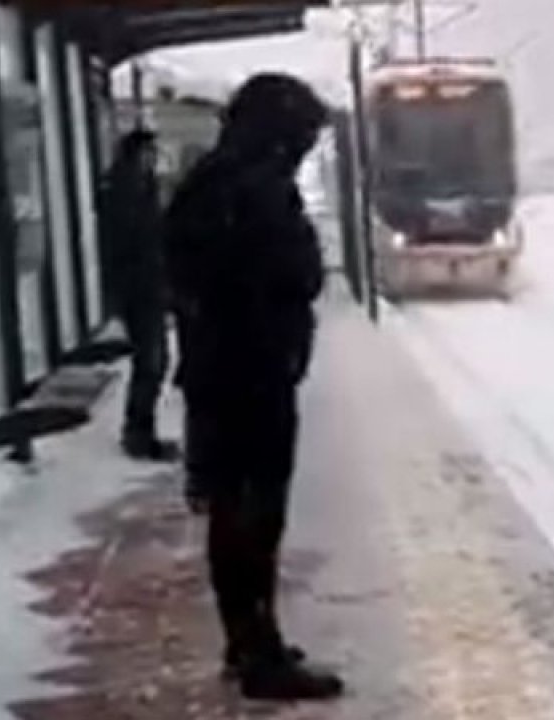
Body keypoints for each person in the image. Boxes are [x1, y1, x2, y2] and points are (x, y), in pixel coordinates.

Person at [163, 73, 342, 701]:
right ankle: (258, 653)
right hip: (251, 374)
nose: (303, 147)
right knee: (253, 515)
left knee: (234, 510)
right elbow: (297, 272)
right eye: (302, 136)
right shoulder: (254, 189)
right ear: (279, 130)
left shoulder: (209, 182)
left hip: (219, 369)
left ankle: (248, 639)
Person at [98, 129, 178, 461]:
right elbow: (135, 242)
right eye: (148, 153)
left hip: (145, 286)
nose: (153, 160)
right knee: (151, 361)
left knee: (154, 361)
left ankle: (141, 429)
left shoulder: (136, 186)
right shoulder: (126, 190)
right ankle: (138, 433)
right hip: (139, 289)